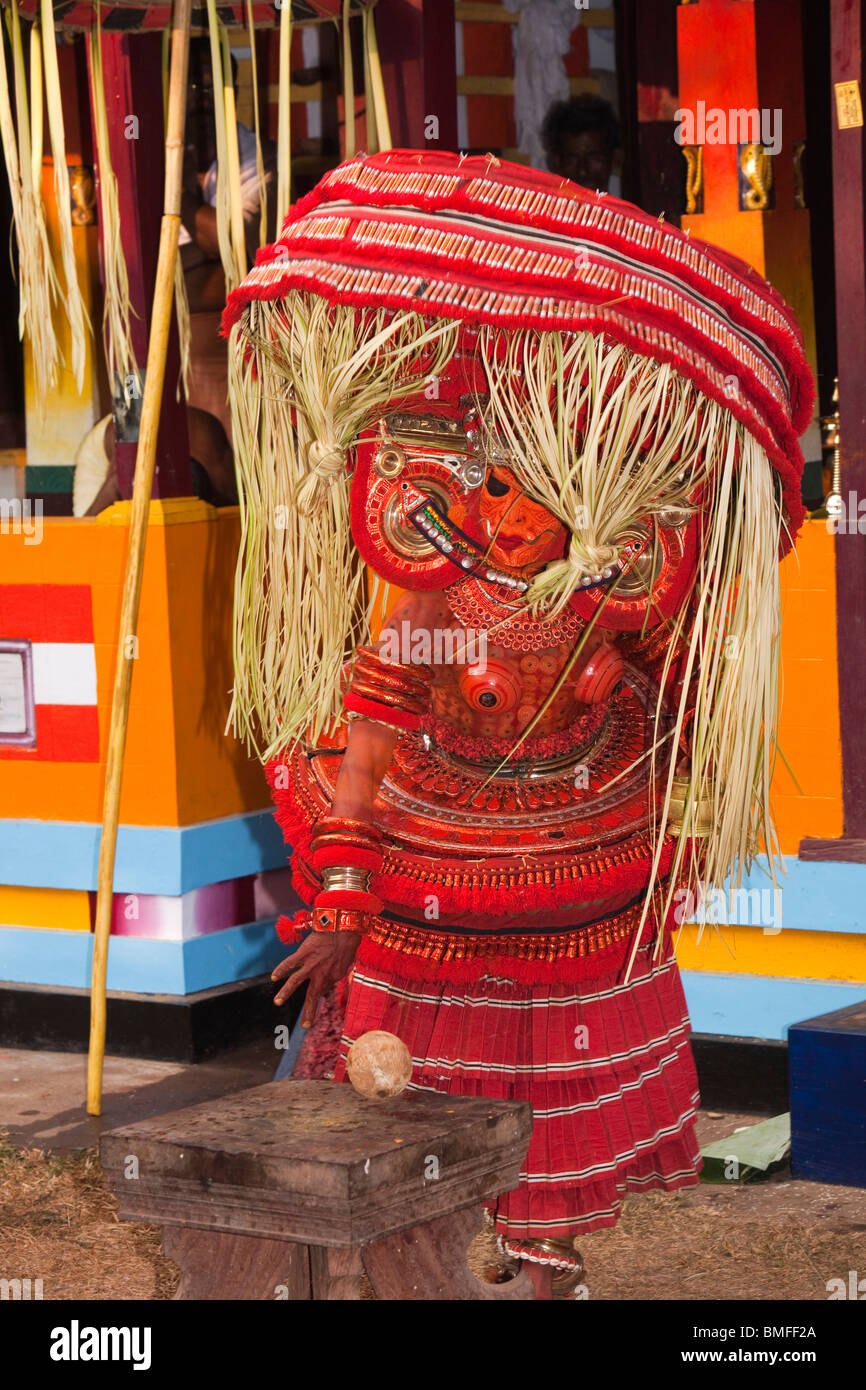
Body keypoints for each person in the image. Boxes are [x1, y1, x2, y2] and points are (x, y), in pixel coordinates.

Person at [222, 150, 812, 1299]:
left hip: (580, 900)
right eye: (496, 487)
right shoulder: (430, 587)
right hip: (435, 895)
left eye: (541, 492)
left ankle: (545, 1275)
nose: (513, 518)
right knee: (403, 1137)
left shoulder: (627, 594)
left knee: (550, 1147)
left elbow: (683, 705)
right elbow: (380, 712)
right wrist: (345, 894)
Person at [541, 92, 620, 191]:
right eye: (571, 160)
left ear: (615, 158)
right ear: (556, 162)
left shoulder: (635, 202)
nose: (582, 171)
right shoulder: (538, 204)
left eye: (595, 158)